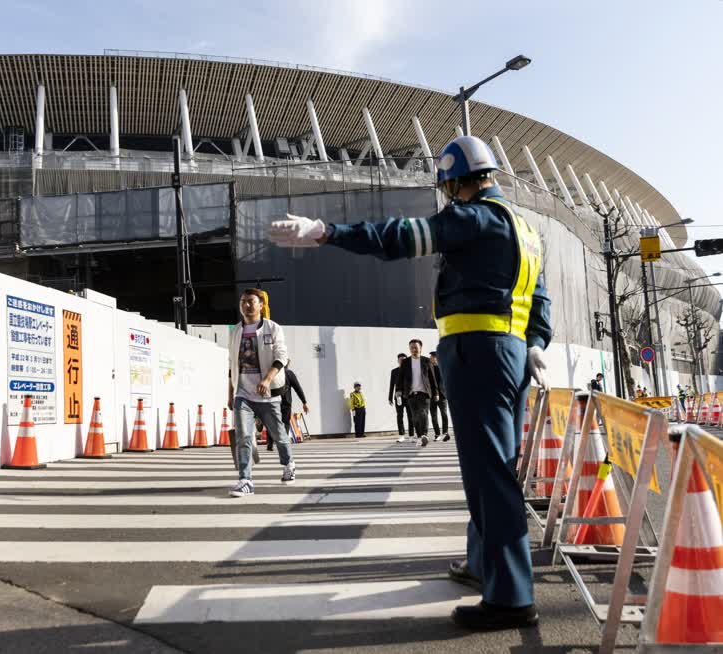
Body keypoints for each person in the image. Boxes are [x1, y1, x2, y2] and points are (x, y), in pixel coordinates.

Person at [269, 135, 551, 630]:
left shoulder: (473, 218)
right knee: (494, 470)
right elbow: (540, 302)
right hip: (512, 354)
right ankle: (484, 564)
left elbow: (402, 237)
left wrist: (326, 232)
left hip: (477, 353)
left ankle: (510, 598)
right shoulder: (525, 229)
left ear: (451, 182)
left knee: (490, 477)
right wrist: (536, 343)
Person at [227, 288, 296, 497]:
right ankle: (245, 480)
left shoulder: (273, 328)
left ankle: (289, 464)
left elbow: (281, 356)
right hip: (243, 393)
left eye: (250, 301)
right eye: (243, 302)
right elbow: (232, 365)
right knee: (244, 436)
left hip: (268, 393)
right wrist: (230, 392)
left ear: (260, 305)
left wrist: (267, 379)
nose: (246, 305)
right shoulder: (235, 331)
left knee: (278, 435)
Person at [395, 339, 439, 447]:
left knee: (423, 413)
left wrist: (436, 393)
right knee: (414, 417)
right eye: (411, 348)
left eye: (416, 347)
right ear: (409, 349)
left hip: (424, 393)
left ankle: (424, 435)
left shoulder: (426, 361)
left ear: (420, 348)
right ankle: (419, 436)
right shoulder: (405, 362)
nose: (414, 349)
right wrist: (398, 391)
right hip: (410, 394)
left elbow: (432, 378)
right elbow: (400, 378)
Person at [271, 360, 309, 450]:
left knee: (273, 421)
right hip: (285, 401)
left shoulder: (272, 373)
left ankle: (270, 443)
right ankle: (283, 442)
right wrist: (304, 402)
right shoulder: (289, 373)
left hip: (273, 400)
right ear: (287, 364)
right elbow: (297, 388)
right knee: (285, 422)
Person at [389, 353, 415, 442]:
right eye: (400, 359)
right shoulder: (394, 371)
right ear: (398, 361)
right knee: (399, 416)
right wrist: (390, 397)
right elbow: (392, 385)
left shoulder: (410, 370)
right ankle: (401, 435)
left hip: (409, 397)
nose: (402, 361)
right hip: (398, 397)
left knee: (410, 416)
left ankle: (411, 435)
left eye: (404, 359)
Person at [430, 351, 450, 441]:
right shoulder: (428, 369)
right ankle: (437, 434)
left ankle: (445, 432)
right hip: (431, 396)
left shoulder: (443, 368)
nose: (431, 358)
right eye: (430, 357)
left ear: (436, 358)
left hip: (442, 395)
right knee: (433, 416)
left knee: (444, 414)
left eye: (432, 357)